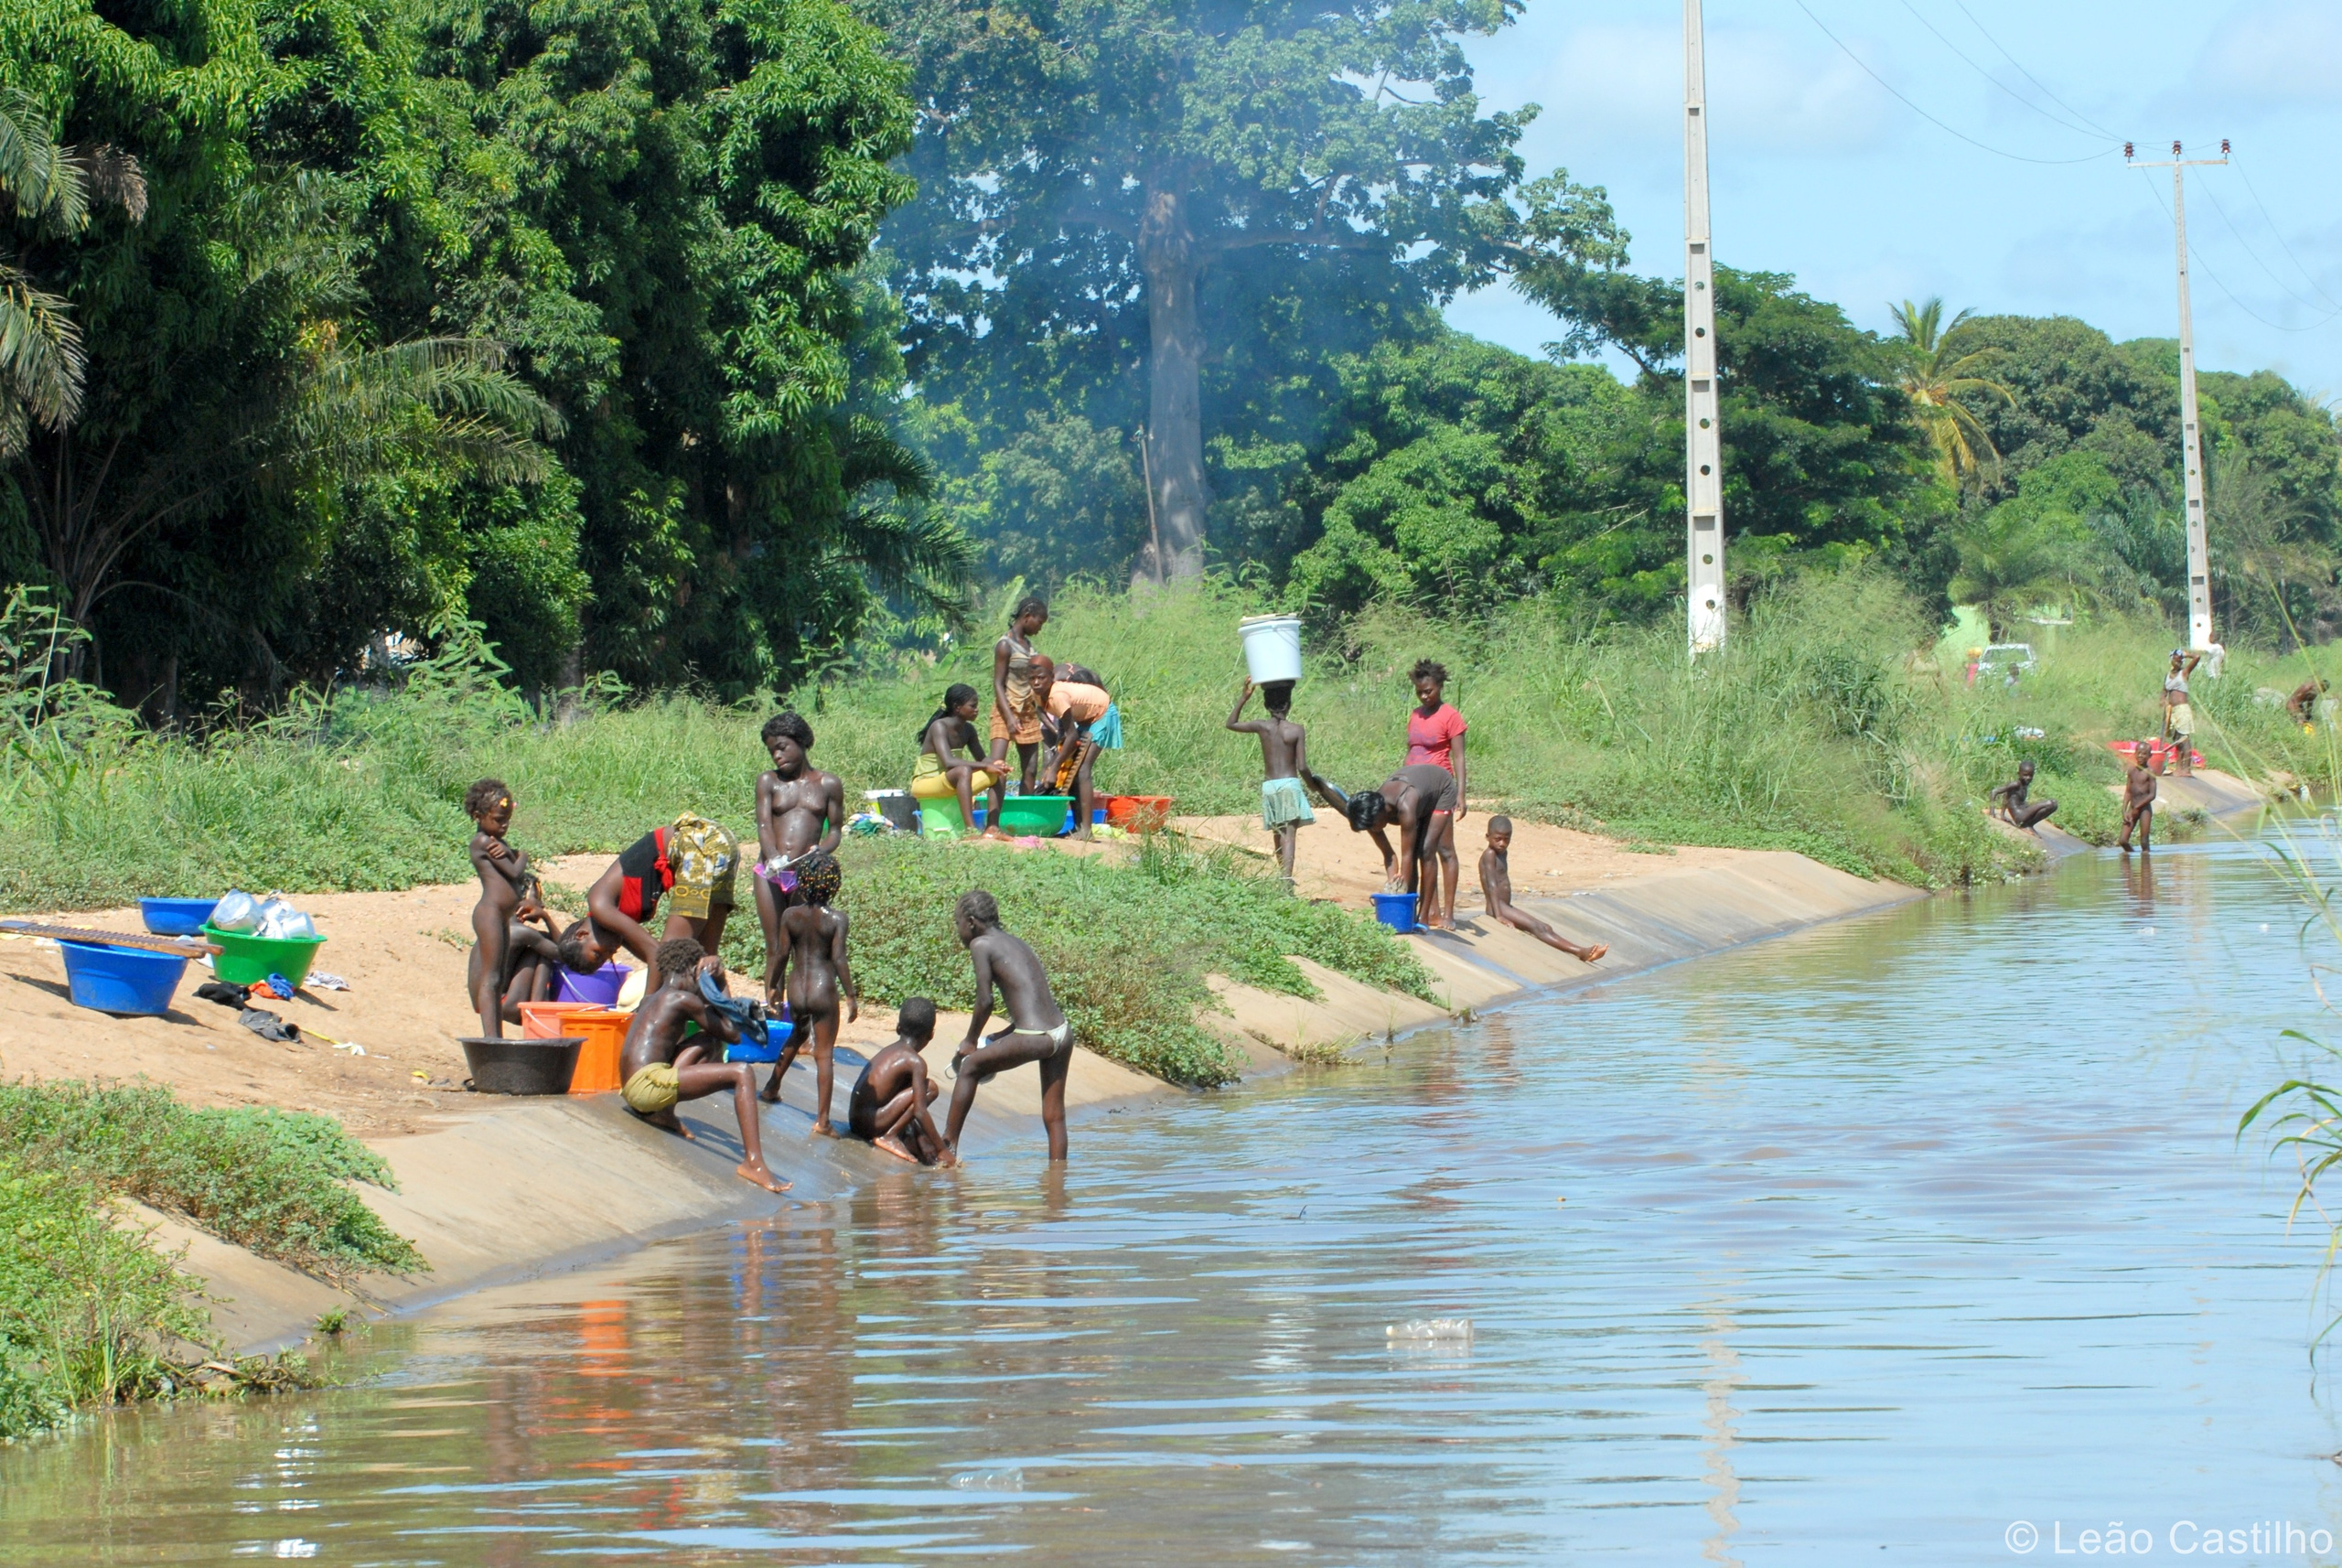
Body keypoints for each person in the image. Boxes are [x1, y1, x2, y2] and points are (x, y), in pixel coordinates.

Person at [618, 936, 790, 1193]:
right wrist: (720, 982)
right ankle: (753, 1163)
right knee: (742, 1072)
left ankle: (662, 1113)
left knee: (708, 1038)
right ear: (693, 970)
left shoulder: (654, 998)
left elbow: (720, 1034)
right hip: (646, 1087)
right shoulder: (683, 1000)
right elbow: (733, 1033)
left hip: (632, 1087)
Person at [941, 889, 1071, 1162]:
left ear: (972, 922)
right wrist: (1002, 1035)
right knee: (1054, 1115)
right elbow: (1032, 1001)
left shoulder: (981, 945)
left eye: (957, 923)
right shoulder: (1017, 943)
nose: (958, 930)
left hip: (1035, 1036)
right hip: (1061, 1033)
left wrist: (969, 1041)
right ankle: (1057, 1187)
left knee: (969, 1068)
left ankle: (947, 1147)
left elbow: (985, 1001)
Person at [757, 850, 857, 1134]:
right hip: (823, 990)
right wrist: (850, 996)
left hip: (797, 989)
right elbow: (838, 958)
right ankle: (822, 1121)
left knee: (796, 1034)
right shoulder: (837, 919)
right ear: (834, 885)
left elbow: (779, 955)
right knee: (824, 1053)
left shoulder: (790, 915)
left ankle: (770, 1088)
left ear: (802, 882)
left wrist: (772, 987)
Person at [572, 812, 739, 977]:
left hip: (698, 843)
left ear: (582, 935)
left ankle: (655, 1005)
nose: (608, 955)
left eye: (598, 954)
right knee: (706, 960)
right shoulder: (618, 926)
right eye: (605, 960)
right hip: (719, 843)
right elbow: (653, 958)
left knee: (672, 953)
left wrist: (647, 1002)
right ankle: (722, 1005)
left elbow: (658, 955)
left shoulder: (599, 905)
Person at [752, 711, 846, 996]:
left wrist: (821, 851)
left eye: (782, 747)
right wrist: (773, 858)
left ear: (801, 742)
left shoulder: (828, 784)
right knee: (776, 946)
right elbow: (764, 825)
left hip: (805, 875)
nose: (777, 757)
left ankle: (802, 1019)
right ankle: (774, 1013)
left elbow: (835, 832)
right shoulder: (769, 781)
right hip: (769, 873)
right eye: (772, 752)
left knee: (804, 949)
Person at [1323, 767, 1460, 929]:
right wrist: (1393, 882)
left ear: (1381, 813)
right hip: (1420, 793)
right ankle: (1410, 914)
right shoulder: (1371, 814)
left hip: (1441, 789)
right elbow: (1389, 855)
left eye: (1373, 826)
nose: (1374, 830)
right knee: (1412, 859)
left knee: (1425, 850)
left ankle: (1428, 917)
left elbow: (1406, 856)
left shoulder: (1405, 806)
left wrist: (1399, 897)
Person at [465, 779, 541, 1038]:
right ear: (478, 816)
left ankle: (495, 1036)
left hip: (502, 916)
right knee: (491, 978)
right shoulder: (482, 842)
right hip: (490, 914)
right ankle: (491, 1038)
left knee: (497, 980)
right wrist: (523, 856)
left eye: (507, 819)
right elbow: (514, 872)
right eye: (499, 819)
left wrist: (513, 853)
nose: (504, 825)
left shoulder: (498, 842)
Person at [1477, 817, 1606, 962]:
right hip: (1497, 908)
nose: (1502, 844)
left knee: (1545, 927)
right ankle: (1580, 952)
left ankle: (1580, 951)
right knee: (1538, 927)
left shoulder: (1502, 853)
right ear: (1488, 837)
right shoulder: (1489, 855)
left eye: (1507, 839)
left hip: (1505, 906)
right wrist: (1499, 915)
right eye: (1498, 839)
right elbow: (1492, 885)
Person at [847, 997, 953, 1165]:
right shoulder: (915, 1062)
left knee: (913, 1091)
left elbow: (907, 1103)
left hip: (855, 1121)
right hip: (869, 1123)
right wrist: (942, 1150)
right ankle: (889, 1136)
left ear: (898, 1028)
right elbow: (919, 1110)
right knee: (930, 1088)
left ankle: (896, 1134)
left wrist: (923, 1139)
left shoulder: (890, 1051)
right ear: (931, 1035)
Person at [1226, 678, 1313, 880]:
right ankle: (1286, 880)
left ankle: (1282, 874)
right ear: (1289, 704)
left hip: (1269, 786)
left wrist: (1244, 698)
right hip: (1289, 785)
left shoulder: (1262, 727)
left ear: (1266, 705)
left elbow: (1231, 723)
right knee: (1289, 835)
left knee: (1278, 833)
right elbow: (1302, 766)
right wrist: (1312, 784)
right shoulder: (1296, 730)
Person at [1031, 655, 1118, 841]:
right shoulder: (1037, 693)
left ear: (1052, 678)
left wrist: (1053, 768)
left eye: (1042, 678)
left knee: (1083, 769)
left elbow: (1071, 735)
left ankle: (1086, 830)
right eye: (1032, 679)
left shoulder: (1057, 695)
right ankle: (1078, 827)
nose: (1037, 682)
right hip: (1084, 718)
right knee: (1071, 769)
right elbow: (1060, 725)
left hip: (1102, 713)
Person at [911, 682, 1010, 839]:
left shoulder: (968, 730)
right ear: (957, 707)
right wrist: (986, 766)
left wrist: (995, 764)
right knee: (962, 771)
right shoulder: (939, 727)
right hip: (926, 783)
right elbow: (949, 762)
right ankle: (970, 830)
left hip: (951, 780)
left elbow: (982, 759)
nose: (976, 709)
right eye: (972, 706)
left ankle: (992, 828)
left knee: (999, 774)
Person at [991, 596, 1049, 794]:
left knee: (1031, 769)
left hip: (1027, 711)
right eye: (1039, 622)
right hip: (1005, 708)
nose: (1040, 628)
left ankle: (1024, 820)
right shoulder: (1005, 645)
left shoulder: (1029, 646)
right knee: (998, 767)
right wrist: (1008, 716)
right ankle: (993, 823)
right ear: (1027, 616)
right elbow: (998, 683)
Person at [1403, 659, 1468, 816]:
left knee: (1437, 838)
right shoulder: (1415, 715)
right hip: (1413, 783)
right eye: (1419, 692)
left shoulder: (1451, 716)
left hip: (1438, 785)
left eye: (1428, 691)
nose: (1424, 696)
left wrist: (1460, 794)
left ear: (1440, 687)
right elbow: (1411, 750)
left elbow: (1459, 757)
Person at [1988, 758, 2058, 832]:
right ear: (2019, 773)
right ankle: (2026, 825)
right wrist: (1991, 811)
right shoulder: (2016, 784)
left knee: (2054, 806)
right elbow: (1994, 791)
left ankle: (2029, 825)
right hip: (2019, 815)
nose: (2028, 778)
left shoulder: (2024, 785)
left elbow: (2006, 796)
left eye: (2030, 775)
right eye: (2025, 775)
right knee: (2051, 803)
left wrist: (2002, 815)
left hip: (2023, 813)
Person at [2163, 650, 2201, 777]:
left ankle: (2187, 769)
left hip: (2182, 709)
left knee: (2184, 739)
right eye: (2176, 659)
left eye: (2180, 660)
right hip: (2172, 711)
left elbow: (2197, 657)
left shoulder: (2184, 673)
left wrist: (2186, 654)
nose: (2178, 662)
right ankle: (2179, 768)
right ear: (2171, 660)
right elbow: (2164, 692)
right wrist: (2162, 702)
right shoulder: (2168, 676)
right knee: (2177, 739)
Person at [2117, 739, 2158, 852]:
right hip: (2133, 808)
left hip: (2144, 809)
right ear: (2135, 753)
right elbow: (2128, 792)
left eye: (2144, 754)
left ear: (2150, 756)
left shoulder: (2150, 772)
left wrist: (2137, 807)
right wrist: (2124, 810)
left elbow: (2152, 795)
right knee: (2123, 841)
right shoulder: (2131, 770)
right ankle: (2131, 856)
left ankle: (2145, 867)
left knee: (2144, 842)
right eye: (2138, 753)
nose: (2140, 756)